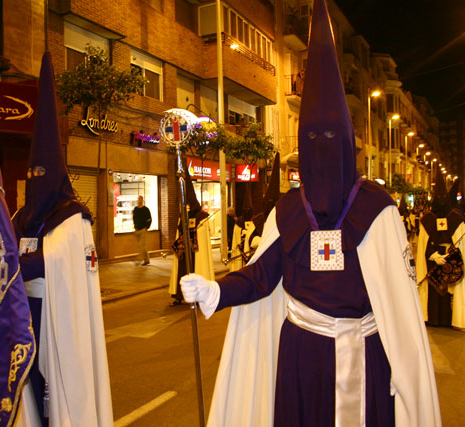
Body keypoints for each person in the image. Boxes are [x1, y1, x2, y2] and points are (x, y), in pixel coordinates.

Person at [180, 1, 441, 425]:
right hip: (302, 356)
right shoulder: (287, 211)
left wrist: (403, 366)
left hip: (367, 356)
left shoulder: (377, 208)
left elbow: (399, 300)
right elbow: (261, 275)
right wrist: (215, 291)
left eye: (331, 136)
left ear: (347, 145)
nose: (322, 145)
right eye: (312, 136)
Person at [12, 52, 113, 426]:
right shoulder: (22, 214)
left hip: (58, 314)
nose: (36, 177)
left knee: (57, 388)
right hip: (25, 314)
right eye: (31, 172)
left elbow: (53, 262)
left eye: (43, 172)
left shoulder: (72, 217)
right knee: (28, 389)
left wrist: (11, 265)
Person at [416, 168, 465, 328]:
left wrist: (451, 256)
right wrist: (432, 255)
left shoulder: (456, 220)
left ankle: (450, 319)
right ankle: (433, 318)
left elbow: (461, 243)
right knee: (433, 291)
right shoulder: (427, 220)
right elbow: (423, 243)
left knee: (449, 290)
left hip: (451, 261)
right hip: (432, 262)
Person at [168, 171, 213, 306]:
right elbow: (179, 232)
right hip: (184, 251)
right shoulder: (183, 217)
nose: (186, 208)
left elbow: (203, 236)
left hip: (197, 253)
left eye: (188, 205)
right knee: (182, 273)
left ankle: (199, 296)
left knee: (197, 272)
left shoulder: (202, 218)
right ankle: (179, 296)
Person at [133, 195, 152, 265]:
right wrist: (135, 226)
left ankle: (140, 259)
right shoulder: (135, 209)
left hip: (143, 229)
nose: (139, 200)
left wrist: (147, 227)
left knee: (142, 245)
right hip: (137, 229)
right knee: (141, 246)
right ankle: (146, 259)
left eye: (141, 199)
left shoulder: (146, 209)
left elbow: (149, 219)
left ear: (142, 200)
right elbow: (134, 218)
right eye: (138, 199)